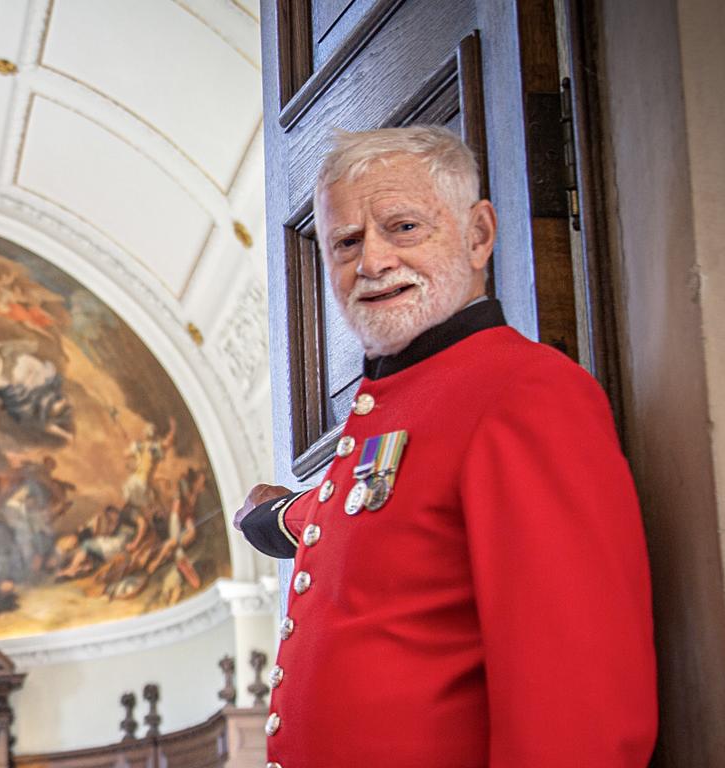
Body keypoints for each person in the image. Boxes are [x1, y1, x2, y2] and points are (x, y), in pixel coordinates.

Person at [230, 127, 655, 767]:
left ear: (479, 234)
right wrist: (276, 517)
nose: (371, 261)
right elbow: (372, 521)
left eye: (403, 227)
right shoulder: (390, 406)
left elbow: (579, 716)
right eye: (346, 241)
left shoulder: (525, 393)